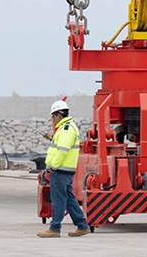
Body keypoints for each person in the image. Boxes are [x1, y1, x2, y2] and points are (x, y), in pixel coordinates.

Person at [38, 99, 90, 238]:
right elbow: (62, 144)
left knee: (58, 199)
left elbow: (62, 150)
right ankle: (82, 226)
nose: (53, 120)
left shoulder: (66, 129)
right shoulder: (67, 128)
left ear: (59, 115)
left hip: (60, 170)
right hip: (65, 171)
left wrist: (53, 167)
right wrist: (53, 138)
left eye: (53, 116)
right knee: (69, 199)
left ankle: (55, 228)